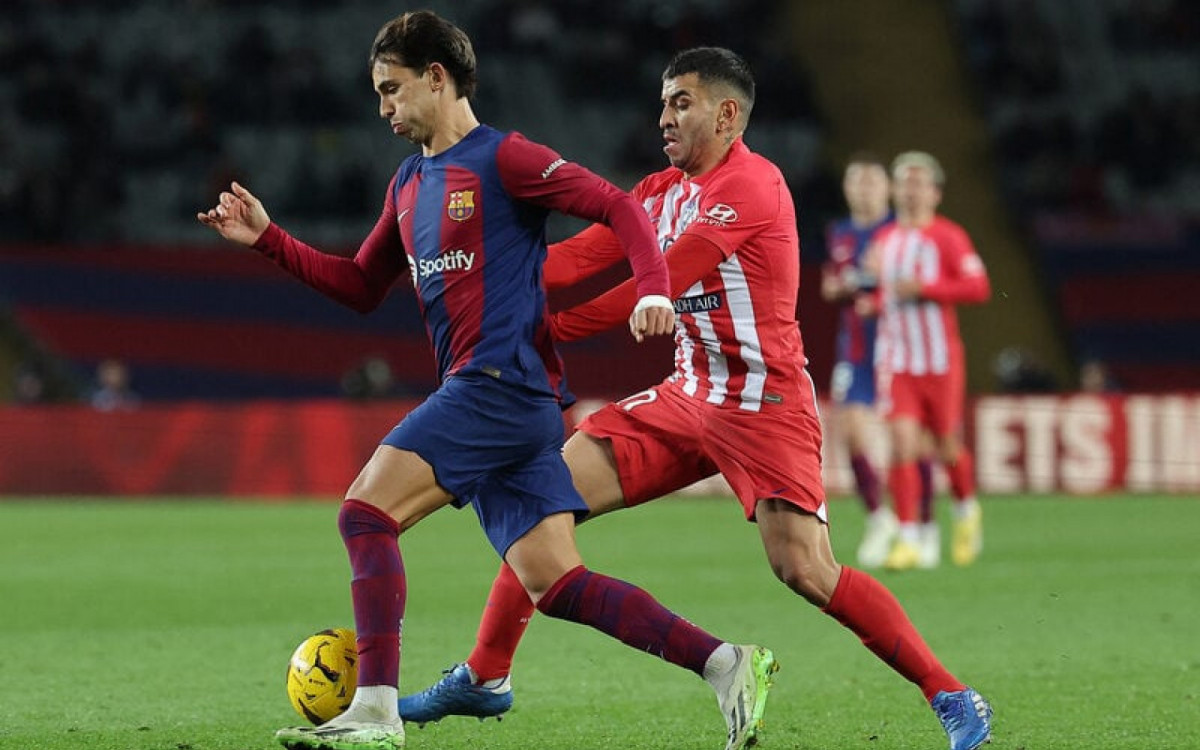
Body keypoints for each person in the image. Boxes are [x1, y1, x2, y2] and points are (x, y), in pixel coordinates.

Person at [198, 13, 776, 750]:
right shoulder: (408, 184)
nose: (383, 108)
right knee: (555, 582)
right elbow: (359, 286)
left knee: (365, 515)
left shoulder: (505, 159)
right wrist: (270, 240)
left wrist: (654, 289)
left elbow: (620, 206)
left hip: (496, 387)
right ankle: (727, 664)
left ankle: (375, 711)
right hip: (518, 407)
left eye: (392, 89)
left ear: (436, 78)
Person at [399, 48, 993, 750]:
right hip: (687, 393)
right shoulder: (657, 192)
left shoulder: (754, 187)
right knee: (541, 498)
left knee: (803, 568)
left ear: (727, 114)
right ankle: (486, 674)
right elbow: (576, 259)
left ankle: (952, 694)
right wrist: (476, 271)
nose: (664, 118)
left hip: (764, 404)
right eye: (663, 103)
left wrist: (533, 326)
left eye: (680, 102)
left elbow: (658, 283)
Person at [859, 152, 991, 571]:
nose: (911, 191)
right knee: (902, 445)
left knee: (948, 446)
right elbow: (890, 295)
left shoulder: (949, 237)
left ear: (935, 192)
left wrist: (927, 288)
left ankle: (967, 510)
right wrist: (874, 301)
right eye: (904, 182)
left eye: (919, 183)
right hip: (897, 361)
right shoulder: (884, 241)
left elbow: (978, 286)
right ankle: (909, 536)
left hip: (939, 361)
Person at [820, 153, 935, 568]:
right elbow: (830, 286)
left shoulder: (902, 232)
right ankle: (879, 517)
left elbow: (920, 282)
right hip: (855, 346)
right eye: (857, 182)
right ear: (848, 189)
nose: (864, 189)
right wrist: (849, 283)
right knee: (850, 433)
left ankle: (923, 526)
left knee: (912, 439)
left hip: (901, 343)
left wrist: (874, 282)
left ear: (886, 189)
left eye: (872, 181)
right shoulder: (840, 232)